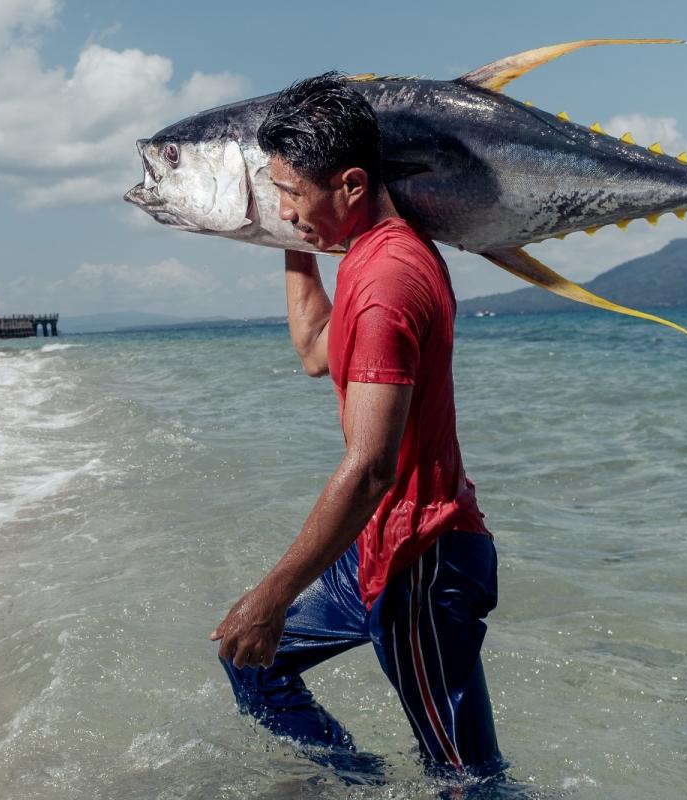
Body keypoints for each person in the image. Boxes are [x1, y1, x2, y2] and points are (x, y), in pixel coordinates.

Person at [209, 73, 505, 780]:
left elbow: (371, 467)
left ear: (348, 185)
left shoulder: (386, 284)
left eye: (291, 194)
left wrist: (271, 596)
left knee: (467, 777)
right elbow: (317, 350)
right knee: (254, 662)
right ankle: (363, 785)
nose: (281, 207)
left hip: (422, 565)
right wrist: (291, 239)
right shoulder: (368, 253)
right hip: (376, 552)